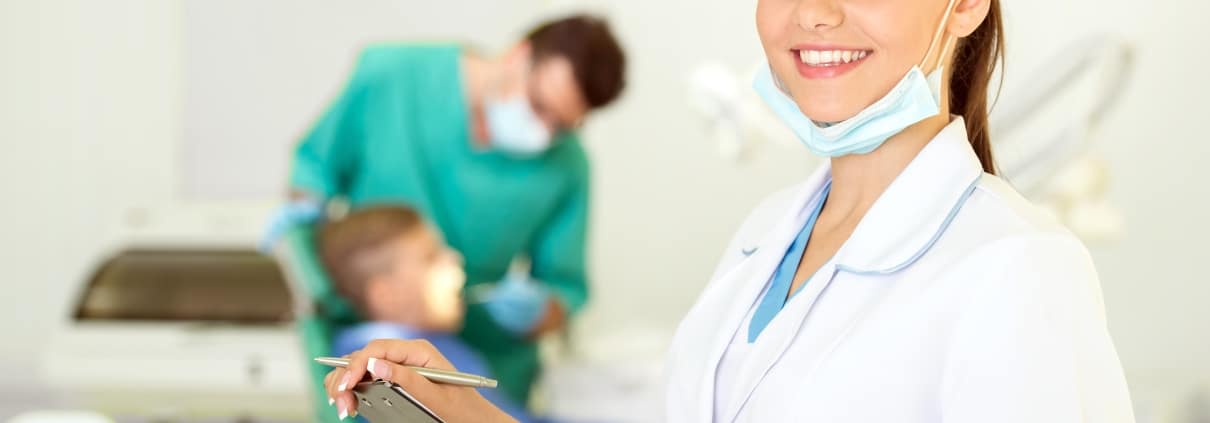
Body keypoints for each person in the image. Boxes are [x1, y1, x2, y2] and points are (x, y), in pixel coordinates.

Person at [320, 0, 1137, 421]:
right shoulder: (764, 237)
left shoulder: (1020, 269)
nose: (816, 12)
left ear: (965, 5)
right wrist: (455, 407)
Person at [262, 14, 627, 403]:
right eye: (539, 106)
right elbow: (314, 171)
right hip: (377, 340)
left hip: (489, 361)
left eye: (563, 126)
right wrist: (303, 228)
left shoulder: (568, 166)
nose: (544, 132)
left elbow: (564, 291)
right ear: (518, 56)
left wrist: (538, 311)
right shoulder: (392, 76)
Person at [316, 206, 540, 422]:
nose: (455, 259)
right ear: (387, 294)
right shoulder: (374, 355)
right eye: (431, 257)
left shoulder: (440, 346)